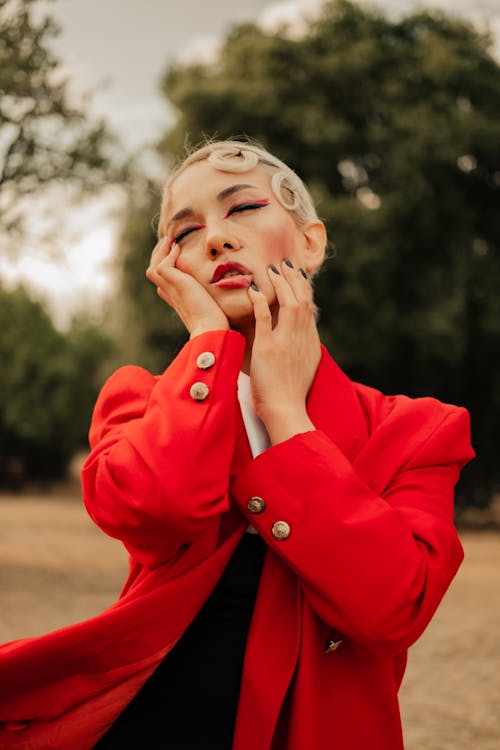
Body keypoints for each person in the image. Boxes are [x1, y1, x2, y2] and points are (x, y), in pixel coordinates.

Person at [0, 140, 474, 750]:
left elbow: (391, 610)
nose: (216, 239)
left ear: (310, 242)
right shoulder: (140, 402)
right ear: (169, 270)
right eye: (186, 230)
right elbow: (153, 511)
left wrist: (285, 413)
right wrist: (206, 337)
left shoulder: (415, 430)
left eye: (242, 208)